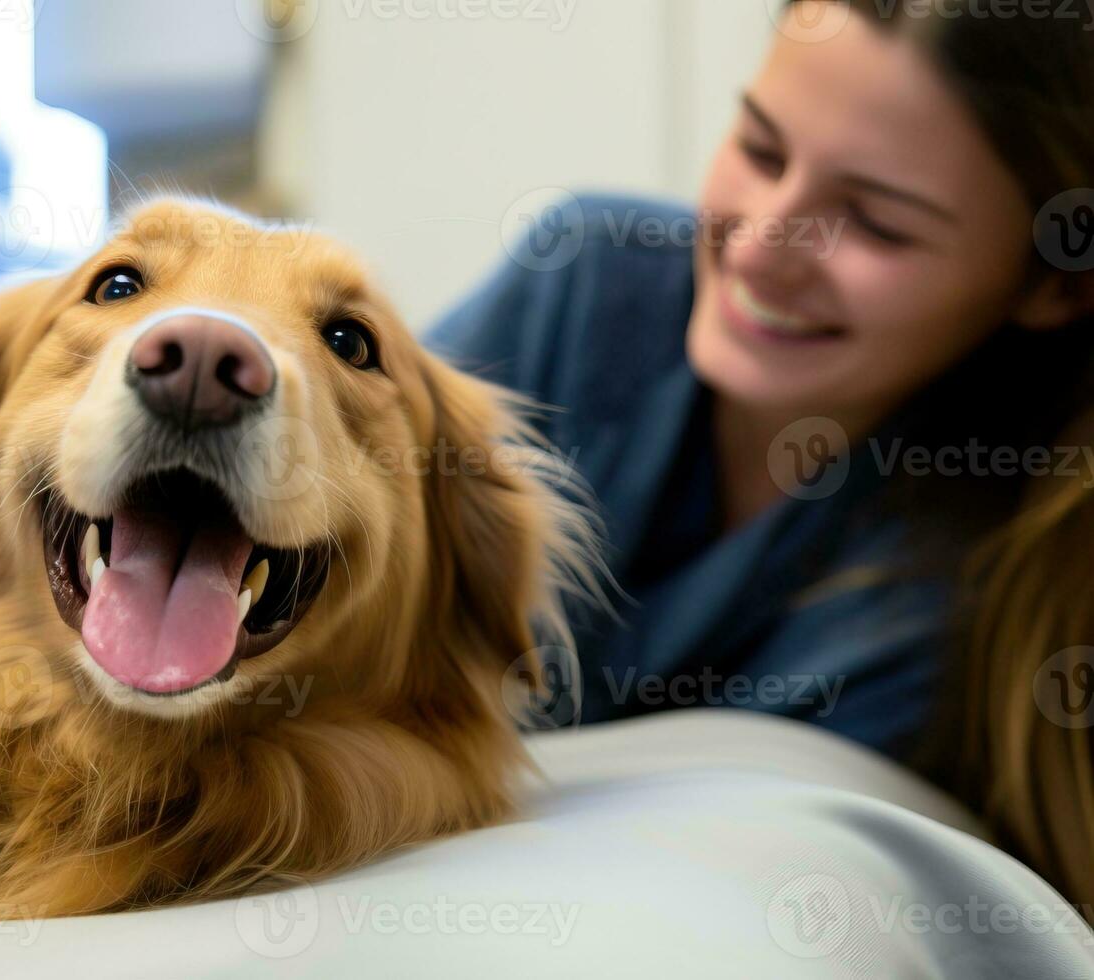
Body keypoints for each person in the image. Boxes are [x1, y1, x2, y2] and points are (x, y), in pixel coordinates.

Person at [429, 0, 1094, 904]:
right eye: (758, 150)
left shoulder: (991, 600)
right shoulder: (580, 285)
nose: (762, 242)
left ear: (1054, 284)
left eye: (875, 224)